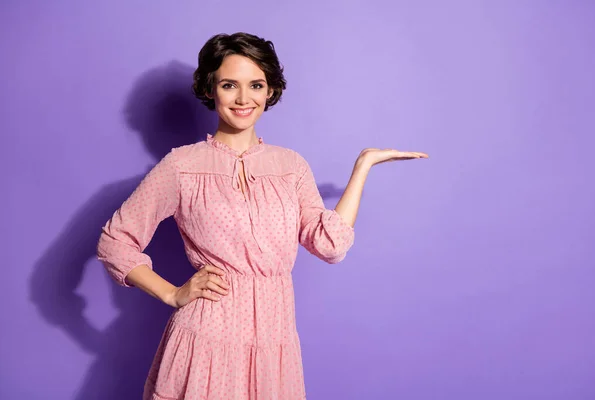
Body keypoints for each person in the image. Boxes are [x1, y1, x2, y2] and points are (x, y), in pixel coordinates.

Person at [97, 32, 428, 400]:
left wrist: (362, 167)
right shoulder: (182, 166)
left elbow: (330, 244)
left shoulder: (290, 166)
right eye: (229, 85)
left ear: (269, 91)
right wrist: (172, 293)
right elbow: (116, 242)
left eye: (255, 85)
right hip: (206, 340)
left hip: (274, 342)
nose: (243, 98)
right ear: (211, 89)